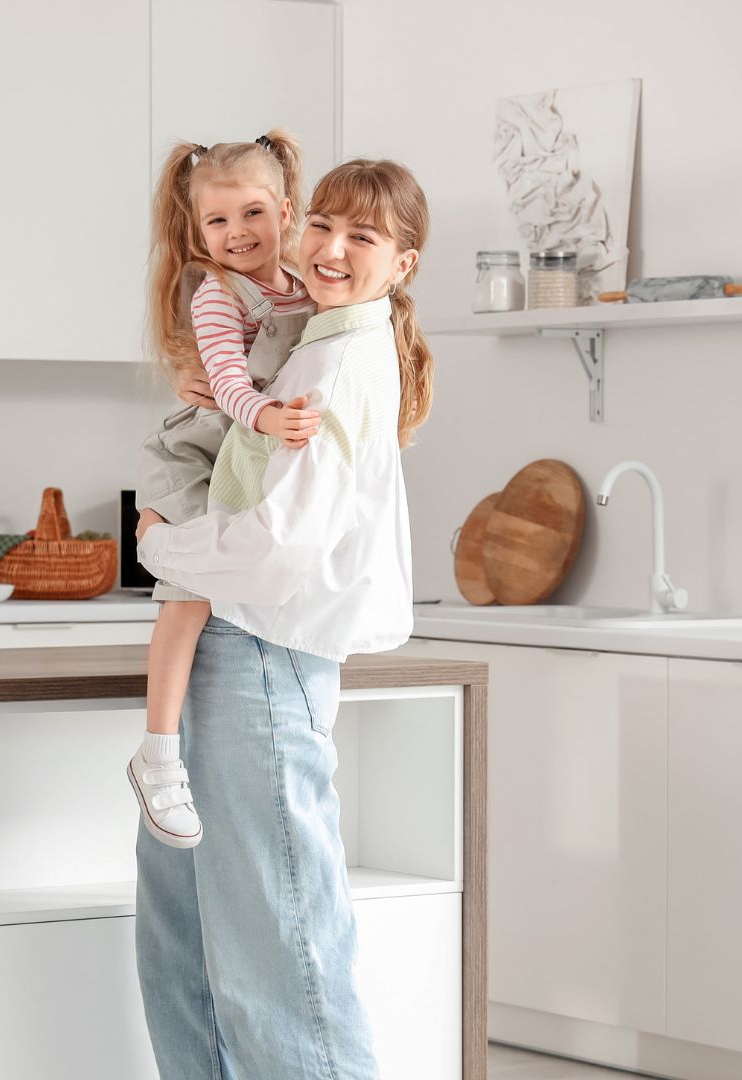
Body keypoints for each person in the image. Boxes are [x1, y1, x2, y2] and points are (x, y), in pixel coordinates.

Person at [133, 159, 434, 1080]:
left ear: (402, 264)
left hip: (263, 649)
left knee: (279, 946)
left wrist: (154, 547)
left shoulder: (340, 360)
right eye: (326, 226)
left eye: (364, 237)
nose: (333, 249)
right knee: (189, 941)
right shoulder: (303, 334)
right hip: (239, 647)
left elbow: (281, 547)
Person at [130, 131, 320, 848]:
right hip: (200, 453)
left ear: (285, 210)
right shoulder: (218, 295)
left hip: (249, 456)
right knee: (189, 597)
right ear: (196, 228)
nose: (236, 234)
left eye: (251, 214)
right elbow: (231, 383)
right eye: (217, 221)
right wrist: (269, 414)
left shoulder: (305, 285)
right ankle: (158, 756)